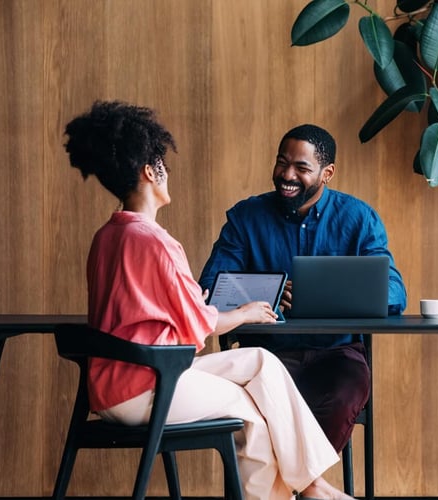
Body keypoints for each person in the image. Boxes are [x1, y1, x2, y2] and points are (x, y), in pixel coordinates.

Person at [64, 101, 355, 500]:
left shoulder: (108, 236)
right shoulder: (157, 243)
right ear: (151, 172)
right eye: (161, 162)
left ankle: (312, 486)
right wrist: (244, 312)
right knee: (253, 410)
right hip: (146, 385)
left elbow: (148, 310)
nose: (167, 170)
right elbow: (199, 326)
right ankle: (311, 488)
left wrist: (193, 305)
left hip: (112, 383)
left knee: (261, 363)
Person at [199, 123, 407, 455]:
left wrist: (328, 296)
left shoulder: (358, 218)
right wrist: (268, 294)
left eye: (302, 167)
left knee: (345, 394)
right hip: (265, 355)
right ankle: (308, 489)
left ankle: (287, 488)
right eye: (282, 162)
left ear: (328, 173)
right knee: (253, 406)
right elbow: (209, 289)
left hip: (337, 355)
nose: (287, 174)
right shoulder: (245, 217)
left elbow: (395, 292)